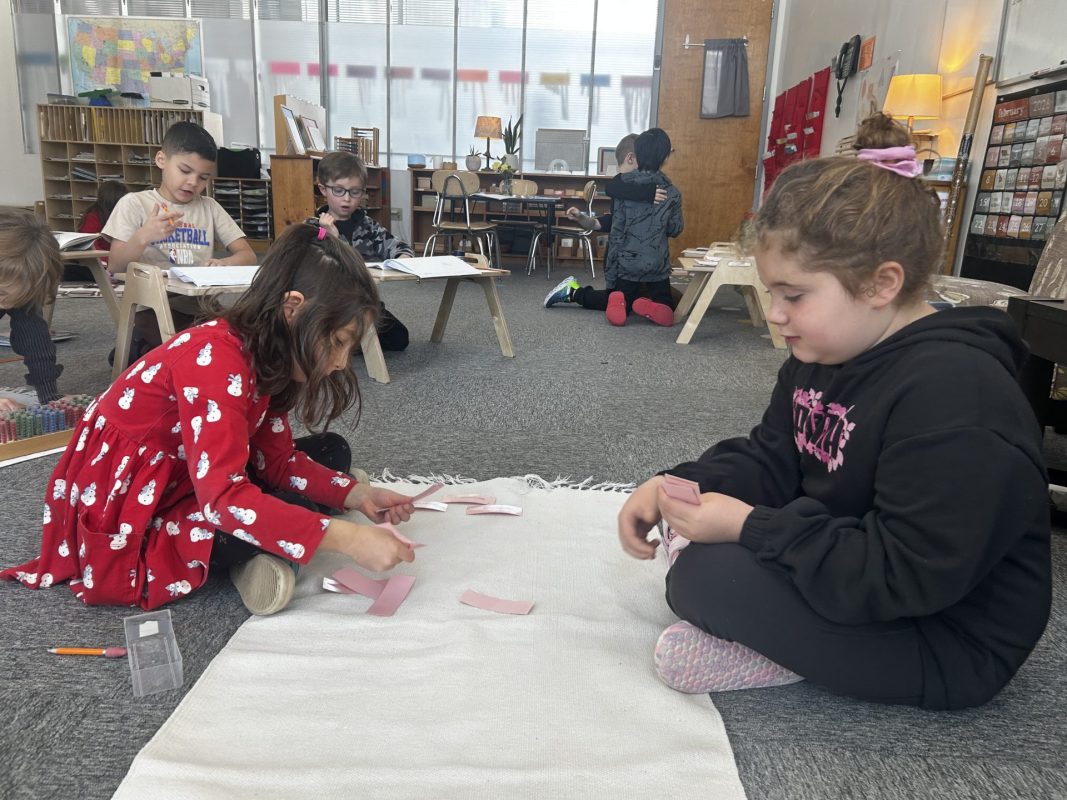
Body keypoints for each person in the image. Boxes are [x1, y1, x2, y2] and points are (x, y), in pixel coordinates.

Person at [617, 113, 1052, 711]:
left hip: (943, 635)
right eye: (773, 293)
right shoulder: (823, 352)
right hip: (852, 564)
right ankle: (780, 632)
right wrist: (679, 482)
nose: (775, 314)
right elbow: (773, 457)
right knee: (702, 555)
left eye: (794, 295)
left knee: (705, 578)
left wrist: (750, 528)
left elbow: (906, 574)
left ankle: (777, 652)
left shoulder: (959, 397)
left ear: (880, 284)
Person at [1, 222, 418, 615]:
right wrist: (344, 537)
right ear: (292, 308)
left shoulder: (270, 354)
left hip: (192, 474)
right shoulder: (217, 360)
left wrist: (356, 496)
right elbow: (224, 501)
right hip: (135, 504)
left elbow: (277, 461)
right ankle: (247, 558)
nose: (342, 363)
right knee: (284, 507)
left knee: (332, 452)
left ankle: (273, 537)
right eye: (338, 342)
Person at [103, 121, 256, 358]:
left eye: (203, 177)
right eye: (185, 171)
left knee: (241, 342)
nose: (193, 182)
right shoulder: (134, 203)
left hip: (200, 305)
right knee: (189, 352)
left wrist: (224, 264)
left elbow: (247, 255)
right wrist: (144, 235)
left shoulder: (209, 207)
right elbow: (115, 265)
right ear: (161, 160)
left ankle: (143, 351)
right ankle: (140, 349)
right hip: (152, 307)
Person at [543, 132, 672, 321]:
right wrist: (582, 219)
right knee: (619, 303)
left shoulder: (642, 185)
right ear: (631, 158)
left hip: (647, 259)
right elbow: (612, 193)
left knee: (664, 301)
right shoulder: (624, 185)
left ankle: (642, 299)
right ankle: (573, 292)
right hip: (622, 260)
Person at [315, 151, 410, 352]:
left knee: (399, 338)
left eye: (355, 192)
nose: (347, 199)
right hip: (328, 308)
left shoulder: (368, 225)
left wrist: (402, 259)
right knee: (324, 340)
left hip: (365, 303)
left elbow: (400, 247)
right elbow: (321, 268)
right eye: (338, 191)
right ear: (323, 188)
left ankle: (354, 342)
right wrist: (333, 238)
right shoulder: (314, 229)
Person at [0, 208, 78, 411]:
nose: (5, 304)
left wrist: (49, 396)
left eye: (15, 297)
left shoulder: (21, 281)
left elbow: (35, 341)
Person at [63, 180, 129, 281]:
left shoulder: (122, 216)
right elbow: (91, 248)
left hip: (113, 262)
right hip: (97, 265)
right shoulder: (93, 218)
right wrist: (115, 260)